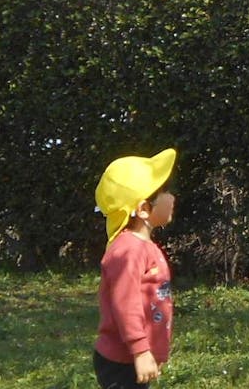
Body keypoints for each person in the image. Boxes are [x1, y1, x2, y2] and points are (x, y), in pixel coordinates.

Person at [92, 148, 178, 389]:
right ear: (143, 209)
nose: (171, 197)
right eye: (164, 191)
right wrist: (141, 351)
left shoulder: (143, 246)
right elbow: (125, 305)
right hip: (122, 361)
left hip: (134, 357)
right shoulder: (128, 251)